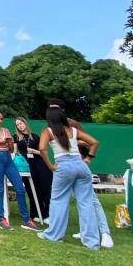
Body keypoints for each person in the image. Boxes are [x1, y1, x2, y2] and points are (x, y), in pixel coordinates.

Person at [48, 100, 114, 248]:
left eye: (55, 109)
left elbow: (89, 142)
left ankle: (105, 233)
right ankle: (85, 232)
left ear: (62, 110)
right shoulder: (52, 126)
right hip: (65, 168)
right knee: (78, 199)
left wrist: (83, 154)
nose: (53, 112)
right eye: (50, 109)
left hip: (78, 163)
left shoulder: (72, 124)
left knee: (91, 199)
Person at [37, 106, 100, 250]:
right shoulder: (74, 130)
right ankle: (92, 242)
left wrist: (51, 166)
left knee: (59, 201)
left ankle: (54, 235)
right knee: (86, 203)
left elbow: (42, 149)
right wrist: (88, 159)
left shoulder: (48, 131)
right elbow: (95, 142)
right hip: (80, 165)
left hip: (63, 166)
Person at [0, 108, 41, 232]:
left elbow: (12, 150)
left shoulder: (6, 130)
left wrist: (9, 144)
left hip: (8, 159)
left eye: (2, 119)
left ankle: (26, 220)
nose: (0, 121)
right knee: (0, 189)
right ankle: (2, 219)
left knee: (20, 188)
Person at [13, 117, 52, 223]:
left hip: (40, 164)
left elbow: (43, 152)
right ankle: (36, 213)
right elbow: (15, 152)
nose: (20, 126)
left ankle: (47, 214)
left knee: (45, 189)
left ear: (25, 123)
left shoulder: (35, 136)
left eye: (21, 123)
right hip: (26, 166)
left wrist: (33, 151)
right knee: (32, 190)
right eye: (17, 124)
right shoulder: (16, 137)